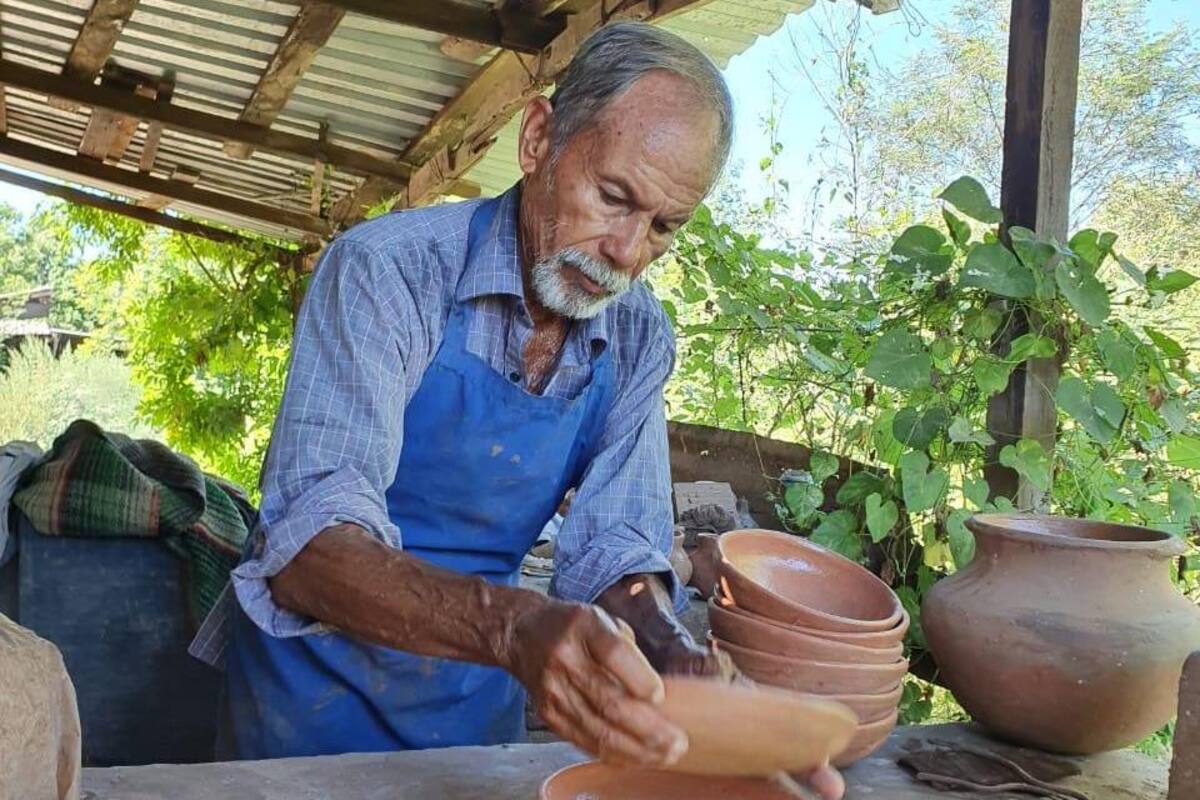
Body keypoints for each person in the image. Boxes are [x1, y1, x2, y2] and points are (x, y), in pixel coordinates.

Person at [217, 21, 841, 799]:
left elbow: (617, 546)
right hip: (308, 713)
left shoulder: (638, 335)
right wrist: (514, 627)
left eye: (664, 227)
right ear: (539, 138)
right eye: (614, 198)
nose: (628, 252)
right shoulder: (389, 272)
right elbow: (308, 547)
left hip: (472, 718)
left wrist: (677, 656)